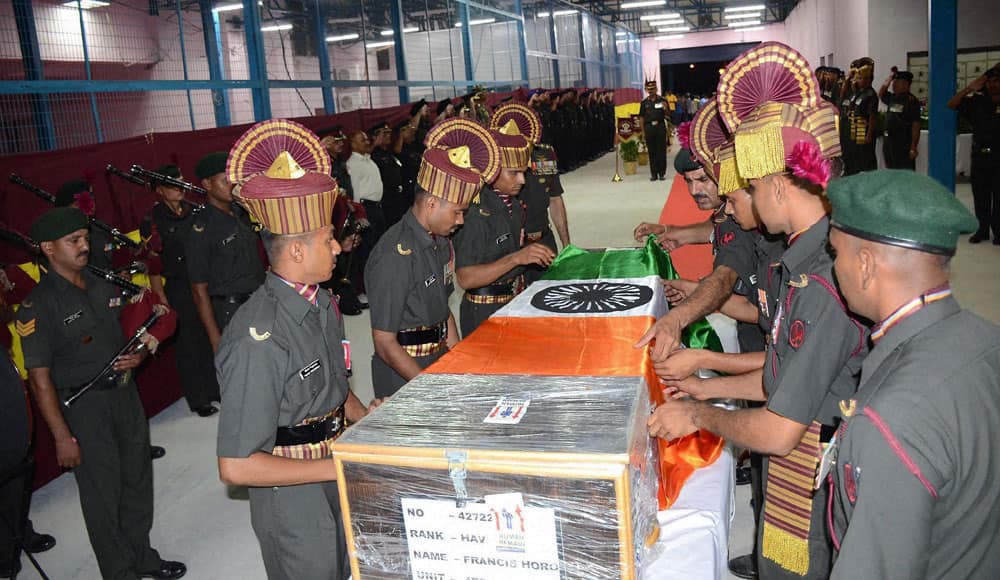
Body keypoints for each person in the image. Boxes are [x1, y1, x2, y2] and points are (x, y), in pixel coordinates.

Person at [648, 42, 864, 580]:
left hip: (819, 465)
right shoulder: (803, 259)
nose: (734, 202)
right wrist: (701, 386)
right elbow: (780, 374)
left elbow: (781, 428)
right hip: (803, 444)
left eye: (744, 189)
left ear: (773, 184)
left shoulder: (822, 277)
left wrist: (697, 413)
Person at [215, 119, 378, 580]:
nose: (337, 246)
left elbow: (334, 386)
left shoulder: (323, 302)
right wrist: (332, 468)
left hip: (332, 465)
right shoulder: (258, 336)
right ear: (297, 253)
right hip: (291, 492)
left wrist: (369, 421)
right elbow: (237, 465)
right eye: (328, 240)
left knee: (347, 566)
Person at [825, 170, 1000, 578]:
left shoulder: (889, 419)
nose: (834, 268)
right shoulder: (988, 338)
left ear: (865, 265)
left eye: (836, 253)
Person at [16, 207, 184, 579]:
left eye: (85, 238)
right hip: (84, 407)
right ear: (47, 248)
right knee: (103, 494)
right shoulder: (39, 306)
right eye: (73, 241)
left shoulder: (100, 282)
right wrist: (62, 436)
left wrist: (140, 352)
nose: (84, 246)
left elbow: (130, 328)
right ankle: (119, 570)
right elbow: (39, 379)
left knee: (137, 479)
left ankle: (142, 555)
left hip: (124, 395)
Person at [365, 119, 501, 398]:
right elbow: (384, 341)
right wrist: (426, 386)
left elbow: (443, 310)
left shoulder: (440, 242)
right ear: (431, 204)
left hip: (438, 359)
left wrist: (458, 359)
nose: (461, 221)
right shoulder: (395, 255)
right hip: (404, 374)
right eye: (457, 212)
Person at [450, 121, 556, 336]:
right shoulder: (474, 212)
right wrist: (517, 258)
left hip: (512, 301)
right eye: (514, 173)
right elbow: (466, 278)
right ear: (492, 170)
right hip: (484, 311)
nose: (522, 180)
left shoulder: (512, 204)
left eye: (524, 172)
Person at [139, 163, 219, 417]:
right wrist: (161, 297)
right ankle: (198, 398)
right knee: (188, 343)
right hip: (178, 286)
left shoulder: (194, 211)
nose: (180, 188)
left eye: (182, 181)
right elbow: (153, 263)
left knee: (210, 335)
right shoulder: (152, 220)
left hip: (205, 282)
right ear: (159, 190)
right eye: (173, 184)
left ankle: (215, 387)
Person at [185, 151, 265, 352]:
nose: (231, 184)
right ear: (207, 184)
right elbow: (199, 290)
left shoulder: (241, 212)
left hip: (259, 301)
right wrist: (215, 338)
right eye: (224, 180)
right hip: (232, 310)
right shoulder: (201, 229)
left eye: (233, 179)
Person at [490, 103, 570, 284]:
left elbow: (555, 200)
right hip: (511, 248)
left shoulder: (544, 156)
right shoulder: (495, 165)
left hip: (544, 241)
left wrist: (566, 244)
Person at [947, 65, 1000, 244]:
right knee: (980, 195)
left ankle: (998, 232)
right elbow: (952, 104)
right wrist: (970, 88)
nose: (994, 85)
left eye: (998, 81)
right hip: (980, 156)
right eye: (991, 82)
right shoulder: (978, 101)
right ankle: (982, 230)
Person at [347, 129, 385, 308]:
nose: (366, 141)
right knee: (367, 251)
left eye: (366, 138)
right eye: (361, 139)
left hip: (377, 208)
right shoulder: (353, 164)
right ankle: (369, 289)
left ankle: (379, 285)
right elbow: (354, 191)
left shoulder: (368, 160)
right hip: (365, 209)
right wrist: (358, 215)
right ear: (353, 144)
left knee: (379, 249)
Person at [840, 57, 879, 175]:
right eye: (858, 78)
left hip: (863, 131)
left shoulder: (870, 94)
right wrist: (848, 81)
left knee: (865, 160)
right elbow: (842, 97)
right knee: (853, 159)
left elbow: (872, 117)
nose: (858, 80)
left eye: (861, 78)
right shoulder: (857, 93)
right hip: (853, 131)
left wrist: (869, 135)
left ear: (868, 80)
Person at [878, 70, 921, 170]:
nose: (894, 85)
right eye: (894, 82)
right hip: (889, 141)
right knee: (891, 168)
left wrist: (913, 147)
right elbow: (881, 94)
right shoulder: (893, 97)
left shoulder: (911, 101)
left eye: (897, 82)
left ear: (906, 84)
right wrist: (888, 80)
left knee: (904, 171)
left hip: (902, 142)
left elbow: (916, 125)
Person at [640, 80, 668, 181]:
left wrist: (665, 109)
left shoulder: (662, 100)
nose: (651, 91)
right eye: (649, 89)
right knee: (652, 151)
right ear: (647, 90)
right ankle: (653, 174)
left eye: (653, 89)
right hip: (649, 127)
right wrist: (643, 132)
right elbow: (641, 118)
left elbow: (668, 115)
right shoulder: (644, 103)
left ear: (656, 89)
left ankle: (661, 173)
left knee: (661, 150)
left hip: (660, 126)